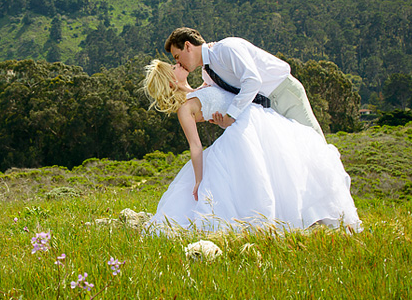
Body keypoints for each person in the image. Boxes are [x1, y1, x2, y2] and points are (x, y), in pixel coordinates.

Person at [142, 59, 360, 233]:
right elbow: (195, 146)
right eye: (173, 66)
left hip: (254, 121)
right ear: (170, 81)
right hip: (244, 132)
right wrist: (199, 179)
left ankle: (314, 216)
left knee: (288, 165)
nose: (178, 64)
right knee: (261, 178)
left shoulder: (202, 86)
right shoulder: (184, 109)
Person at [165, 27, 324, 137]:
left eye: (177, 57)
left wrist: (232, 115)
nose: (178, 63)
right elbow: (212, 94)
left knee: (315, 143)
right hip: (268, 109)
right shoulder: (207, 73)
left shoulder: (227, 48)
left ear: (188, 46)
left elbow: (253, 81)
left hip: (283, 94)